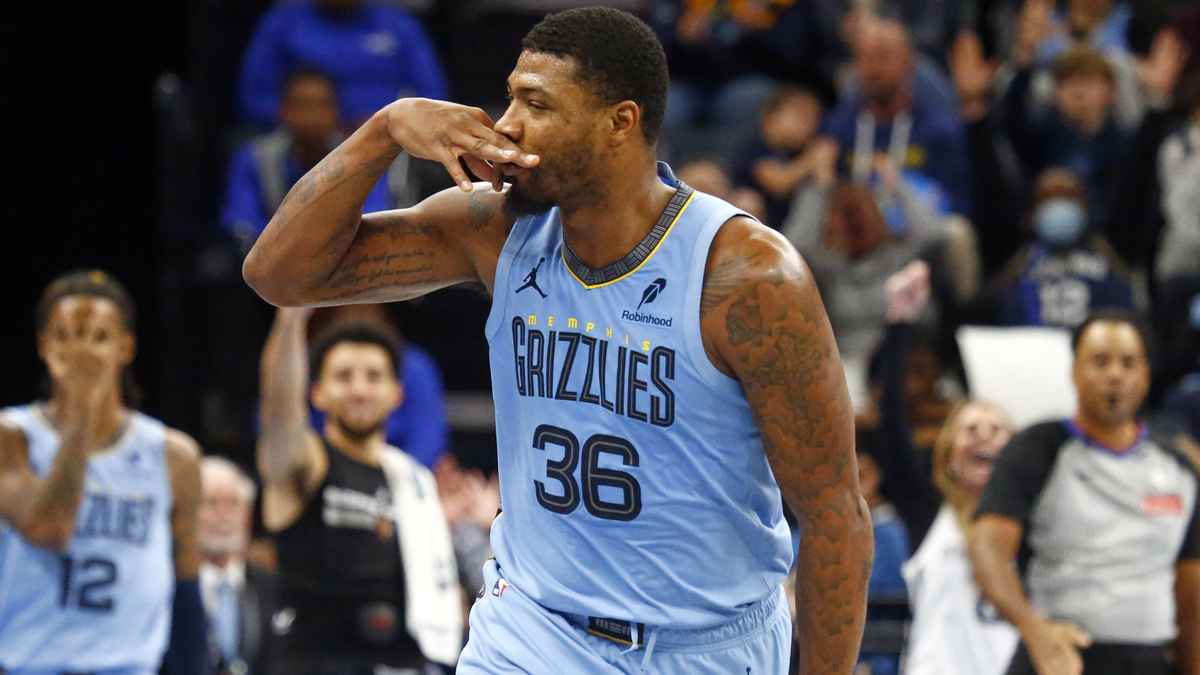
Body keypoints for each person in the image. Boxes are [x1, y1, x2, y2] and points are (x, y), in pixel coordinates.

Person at [242, 7, 871, 674]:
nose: (506, 123)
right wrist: (384, 129)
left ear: (619, 123)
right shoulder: (497, 229)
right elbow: (280, 274)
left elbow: (834, 514)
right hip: (533, 630)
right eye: (511, 95)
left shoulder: (747, 277)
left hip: (704, 645)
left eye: (535, 103)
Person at [970, 310, 1200, 675]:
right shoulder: (1037, 448)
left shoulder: (1178, 468)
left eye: (1128, 363)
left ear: (1145, 377)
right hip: (1062, 656)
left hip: (1150, 661)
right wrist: (1035, 630)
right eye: (1100, 361)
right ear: (1074, 372)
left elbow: (1191, 593)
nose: (1114, 374)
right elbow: (987, 551)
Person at [0, 270, 207, 675]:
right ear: (44, 347)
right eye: (65, 336)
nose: (82, 354)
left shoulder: (173, 455)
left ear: (125, 348)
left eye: (97, 337)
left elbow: (186, 587)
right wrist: (81, 406)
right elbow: (48, 528)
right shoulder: (11, 437)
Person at [256, 308, 460, 675]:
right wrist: (290, 320)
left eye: (374, 376)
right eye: (343, 376)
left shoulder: (412, 481)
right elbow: (279, 412)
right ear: (316, 393)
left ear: (397, 394)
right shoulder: (306, 464)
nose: (360, 389)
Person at [222, 69, 393, 248]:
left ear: (335, 111)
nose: (310, 117)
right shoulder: (255, 158)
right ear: (282, 109)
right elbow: (242, 220)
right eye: (301, 106)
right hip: (269, 260)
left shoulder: (363, 159)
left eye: (319, 105)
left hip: (342, 259)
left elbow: (374, 215)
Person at [237, 0, 448, 130]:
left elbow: (435, 99)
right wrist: (308, 122)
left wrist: (384, 127)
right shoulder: (283, 23)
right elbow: (254, 99)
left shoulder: (400, 25)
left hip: (391, 146)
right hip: (305, 145)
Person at [199, 456, 277, 675]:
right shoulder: (166, 588)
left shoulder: (273, 588)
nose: (223, 515)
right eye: (211, 503)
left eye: (233, 504)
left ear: (248, 518)